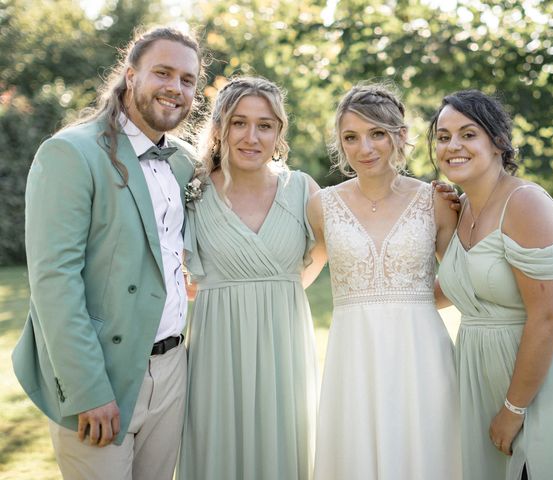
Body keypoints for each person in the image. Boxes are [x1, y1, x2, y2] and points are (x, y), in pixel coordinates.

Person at [12, 27, 203, 480]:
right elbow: (54, 280)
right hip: (105, 374)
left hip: (174, 369)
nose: (176, 88)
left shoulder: (184, 160)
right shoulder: (70, 153)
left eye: (188, 79)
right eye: (163, 72)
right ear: (130, 75)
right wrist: (86, 389)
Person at [429, 90, 553, 480]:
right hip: (484, 375)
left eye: (468, 134)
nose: (453, 146)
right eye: (443, 136)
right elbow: (467, 289)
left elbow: (549, 317)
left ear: (498, 142)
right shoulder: (458, 209)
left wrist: (513, 410)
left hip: (550, 378)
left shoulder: (525, 202)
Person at [307, 84, 463, 479]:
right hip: (353, 357)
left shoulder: (437, 200)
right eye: (351, 137)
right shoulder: (321, 206)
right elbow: (297, 277)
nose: (365, 148)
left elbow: (468, 278)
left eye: (377, 133)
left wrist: (549, 276)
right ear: (340, 145)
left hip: (421, 355)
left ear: (400, 136)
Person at [177, 76, 324, 480]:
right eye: (239, 122)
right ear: (220, 126)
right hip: (217, 350)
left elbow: (330, 247)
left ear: (279, 133)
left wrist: (278, 289)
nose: (251, 136)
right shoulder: (193, 190)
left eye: (265, 125)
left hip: (285, 348)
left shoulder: (302, 190)